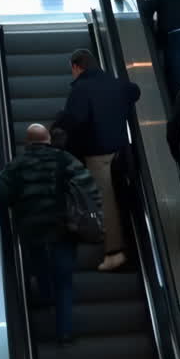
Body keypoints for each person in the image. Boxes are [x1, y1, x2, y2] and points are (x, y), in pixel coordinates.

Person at [0, 123, 99, 346]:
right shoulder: (64, 159)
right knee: (64, 279)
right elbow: (88, 186)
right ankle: (64, 332)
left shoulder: (16, 166)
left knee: (40, 268)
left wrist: (18, 205)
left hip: (32, 230)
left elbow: (0, 196)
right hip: (63, 229)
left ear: (27, 143)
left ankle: (46, 297)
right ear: (48, 139)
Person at [60, 48, 141, 272]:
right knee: (124, 198)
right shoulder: (115, 83)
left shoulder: (81, 89)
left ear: (77, 67)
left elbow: (74, 120)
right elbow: (134, 91)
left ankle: (114, 252)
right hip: (122, 150)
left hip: (98, 154)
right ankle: (136, 244)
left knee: (106, 202)